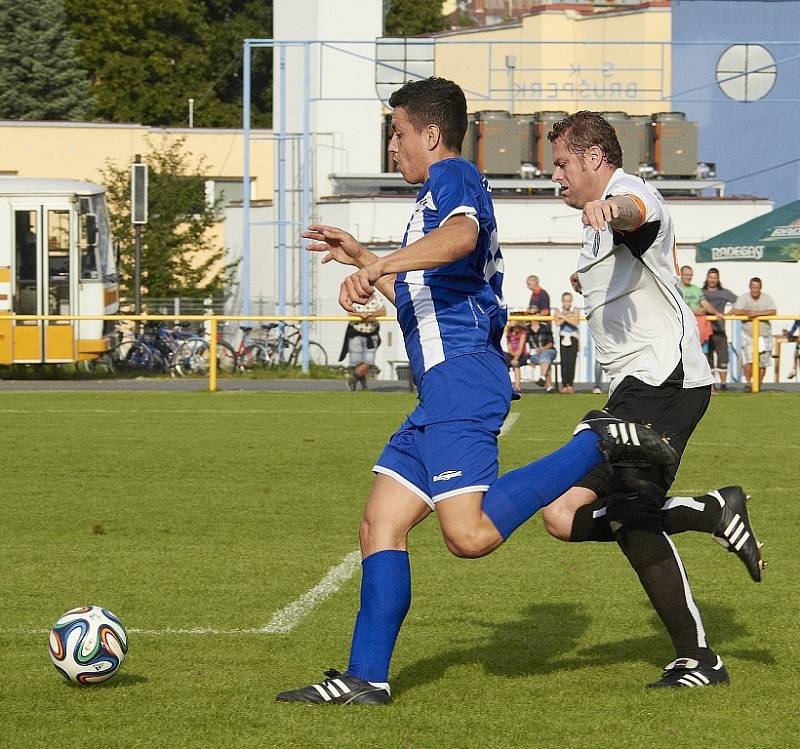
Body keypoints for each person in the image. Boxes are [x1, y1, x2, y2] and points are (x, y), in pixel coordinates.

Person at [278, 80, 675, 705]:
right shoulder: (431, 202)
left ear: (430, 135)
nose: (392, 146)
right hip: (439, 390)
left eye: (398, 132)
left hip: (462, 381)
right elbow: (424, 300)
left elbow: (460, 238)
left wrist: (381, 263)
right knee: (380, 522)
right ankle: (365, 678)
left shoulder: (454, 176)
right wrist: (365, 256)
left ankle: (600, 443)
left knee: (470, 537)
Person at [539, 110, 763, 689]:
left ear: (594, 159)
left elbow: (639, 212)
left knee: (621, 498)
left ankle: (700, 656)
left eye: (562, 163)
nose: (555, 176)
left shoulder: (625, 193)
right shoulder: (594, 222)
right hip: (640, 386)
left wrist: (611, 208)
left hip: (663, 380)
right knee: (563, 517)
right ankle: (707, 513)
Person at [733, 277, 777, 392]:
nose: (755, 290)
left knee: (763, 362)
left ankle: (757, 386)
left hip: (764, 334)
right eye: (753, 287)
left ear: (760, 288)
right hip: (748, 334)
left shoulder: (767, 298)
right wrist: (747, 313)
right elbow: (737, 311)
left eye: (757, 287)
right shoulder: (744, 297)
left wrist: (757, 314)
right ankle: (748, 384)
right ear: (750, 287)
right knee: (748, 360)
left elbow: (773, 311)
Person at [339, 291, 386, 390]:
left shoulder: (377, 298)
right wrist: (361, 314)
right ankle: (362, 387)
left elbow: (383, 312)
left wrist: (369, 314)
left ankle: (352, 380)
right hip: (356, 332)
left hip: (371, 334)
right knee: (357, 362)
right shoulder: (353, 297)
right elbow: (349, 312)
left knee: (368, 361)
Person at [701, 267, 737, 391]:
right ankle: (711, 385)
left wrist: (728, 314)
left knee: (723, 358)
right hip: (705, 331)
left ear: (718, 279)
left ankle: (723, 385)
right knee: (708, 359)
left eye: (715, 277)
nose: (712, 280)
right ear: (707, 278)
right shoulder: (701, 292)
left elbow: (739, 301)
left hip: (720, 330)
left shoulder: (724, 292)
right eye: (710, 277)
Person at [679, 265, 715, 353]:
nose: (689, 277)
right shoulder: (675, 287)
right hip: (683, 328)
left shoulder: (695, 288)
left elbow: (705, 303)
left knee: (702, 353)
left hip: (698, 327)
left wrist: (717, 313)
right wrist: (693, 312)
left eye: (690, 275)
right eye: (686, 274)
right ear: (681, 274)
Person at [553, 291, 580, 393]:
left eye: (569, 301)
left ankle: (570, 385)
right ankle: (564, 385)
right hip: (563, 337)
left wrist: (563, 317)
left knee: (572, 362)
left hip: (573, 338)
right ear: (562, 301)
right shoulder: (558, 310)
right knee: (564, 362)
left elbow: (576, 323)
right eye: (565, 301)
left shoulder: (575, 310)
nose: (567, 304)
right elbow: (557, 323)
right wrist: (567, 317)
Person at [527, 316, 557, 391]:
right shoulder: (526, 327)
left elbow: (551, 343)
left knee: (545, 355)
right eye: (531, 314)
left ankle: (543, 378)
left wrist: (542, 349)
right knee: (545, 361)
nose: (533, 315)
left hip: (548, 351)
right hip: (534, 354)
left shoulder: (545, 327)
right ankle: (548, 384)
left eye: (535, 313)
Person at [504, 322, 528, 392]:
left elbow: (521, 347)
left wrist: (516, 357)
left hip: (522, 354)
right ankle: (505, 385)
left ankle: (517, 386)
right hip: (512, 353)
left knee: (516, 363)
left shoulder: (522, 333)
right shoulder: (509, 333)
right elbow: (509, 347)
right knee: (503, 361)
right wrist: (513, 354)